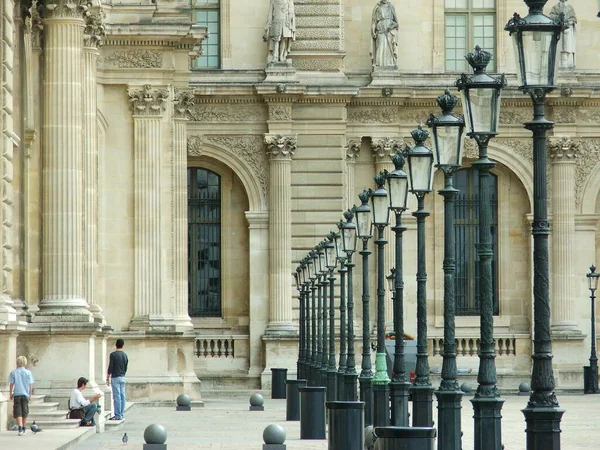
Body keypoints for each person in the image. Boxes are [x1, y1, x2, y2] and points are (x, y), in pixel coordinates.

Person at [8, 356, 34, 436]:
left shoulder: (13, 372)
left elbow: (11, 384)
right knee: (24, 411)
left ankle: (20, 428)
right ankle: (24, 428)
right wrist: (30, 394)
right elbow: (30, 385)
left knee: (18, 411)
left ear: (17, 362)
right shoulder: (28, 373)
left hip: (17, 394)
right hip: (25, 394)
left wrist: (11, 394)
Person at [371, 0, 399, 69]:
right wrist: (373, 31)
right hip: (380, 31)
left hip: (390, 32)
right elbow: (374, 21)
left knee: (389, 48)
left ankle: (391, 64)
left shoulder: (391, 7)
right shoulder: (377, 7)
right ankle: (379, 65)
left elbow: (396, 23)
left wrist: (391, 27)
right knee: (380, 46)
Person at [549, 0, 577, 69]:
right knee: (559, 46)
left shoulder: (570, 7)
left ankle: (567, 62)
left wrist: (569, 22)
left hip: (568, 30)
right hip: (559, 29)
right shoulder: (555, 7)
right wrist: (559, 21)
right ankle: (560, 62)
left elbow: (573, 18)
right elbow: (552, 16)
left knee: (567, 47)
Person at [106, 338, 128, 420]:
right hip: (122, 377)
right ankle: (121, 414)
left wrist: (107, 378)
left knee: (117, 397)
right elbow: (126, 367)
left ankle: (118, 415)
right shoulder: (125, 355)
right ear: (123, 346)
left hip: (115, 377)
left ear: (116, 345)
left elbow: (110, 367)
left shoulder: (113, 355)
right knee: (122, 396)